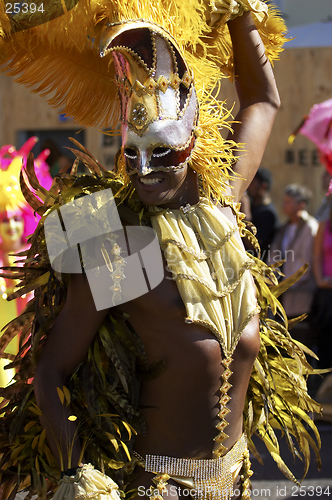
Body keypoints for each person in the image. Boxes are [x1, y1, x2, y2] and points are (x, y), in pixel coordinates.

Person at [0, 2, 321, 500]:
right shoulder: (128, 248)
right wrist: (75, 474)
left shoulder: (226, 205)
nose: (144, 171)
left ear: (195, 140)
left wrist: (235, 9)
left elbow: (263, 99)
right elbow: (51, 370)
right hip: (155, 489)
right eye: (132, 153)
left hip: (238, 484)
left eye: (163, 152)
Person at [0, 138, 52, 387]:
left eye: (16, 219)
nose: (11, 226)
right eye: (4, 220)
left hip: (25, 347)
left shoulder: (35, 259)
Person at [268, 184, 318, 329]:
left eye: (288, 202)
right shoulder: (284, 228)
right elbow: (275, 255)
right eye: (284, 201)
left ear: (301, 204)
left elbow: (307, 261)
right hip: (282, 291)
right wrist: (272, 279)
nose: (284, 205)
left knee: (299, 331)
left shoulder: (310, 227)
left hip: (301, 292)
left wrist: (289, 282)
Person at [246, 168, 279, 261]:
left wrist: (245, 215)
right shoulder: (252, 206)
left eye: (252, 182)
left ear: (263, 186)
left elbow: (254, 246)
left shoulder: (268, 215)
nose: (248, 185)